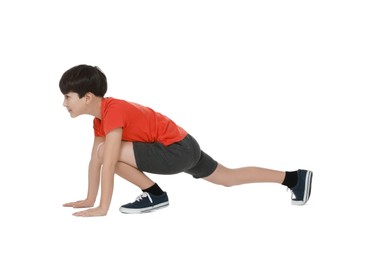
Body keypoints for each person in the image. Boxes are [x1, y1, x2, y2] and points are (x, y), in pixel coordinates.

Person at [60, 64, 313, 217]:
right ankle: (294, 178)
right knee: (228, 178)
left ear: (88, 97)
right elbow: (95, 161)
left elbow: (109, 158)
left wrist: (103, 208)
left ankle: (154, 195)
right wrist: (89, 199)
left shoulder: (113, 111)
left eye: (68, 97)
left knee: (108, 153)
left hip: (176, 150)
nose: (64, 103)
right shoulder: (100, 120)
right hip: (184, 146)